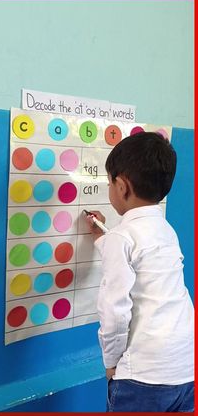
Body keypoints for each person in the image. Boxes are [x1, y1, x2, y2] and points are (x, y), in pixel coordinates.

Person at [86, 132, 194, 412]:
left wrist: (110, 363)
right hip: (186, 368)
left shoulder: (122, 237)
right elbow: (143, 263)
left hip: (143, 377)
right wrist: (102, 240)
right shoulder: (166, 230)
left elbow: (114, 312)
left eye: (109, 183)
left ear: (121, 187)